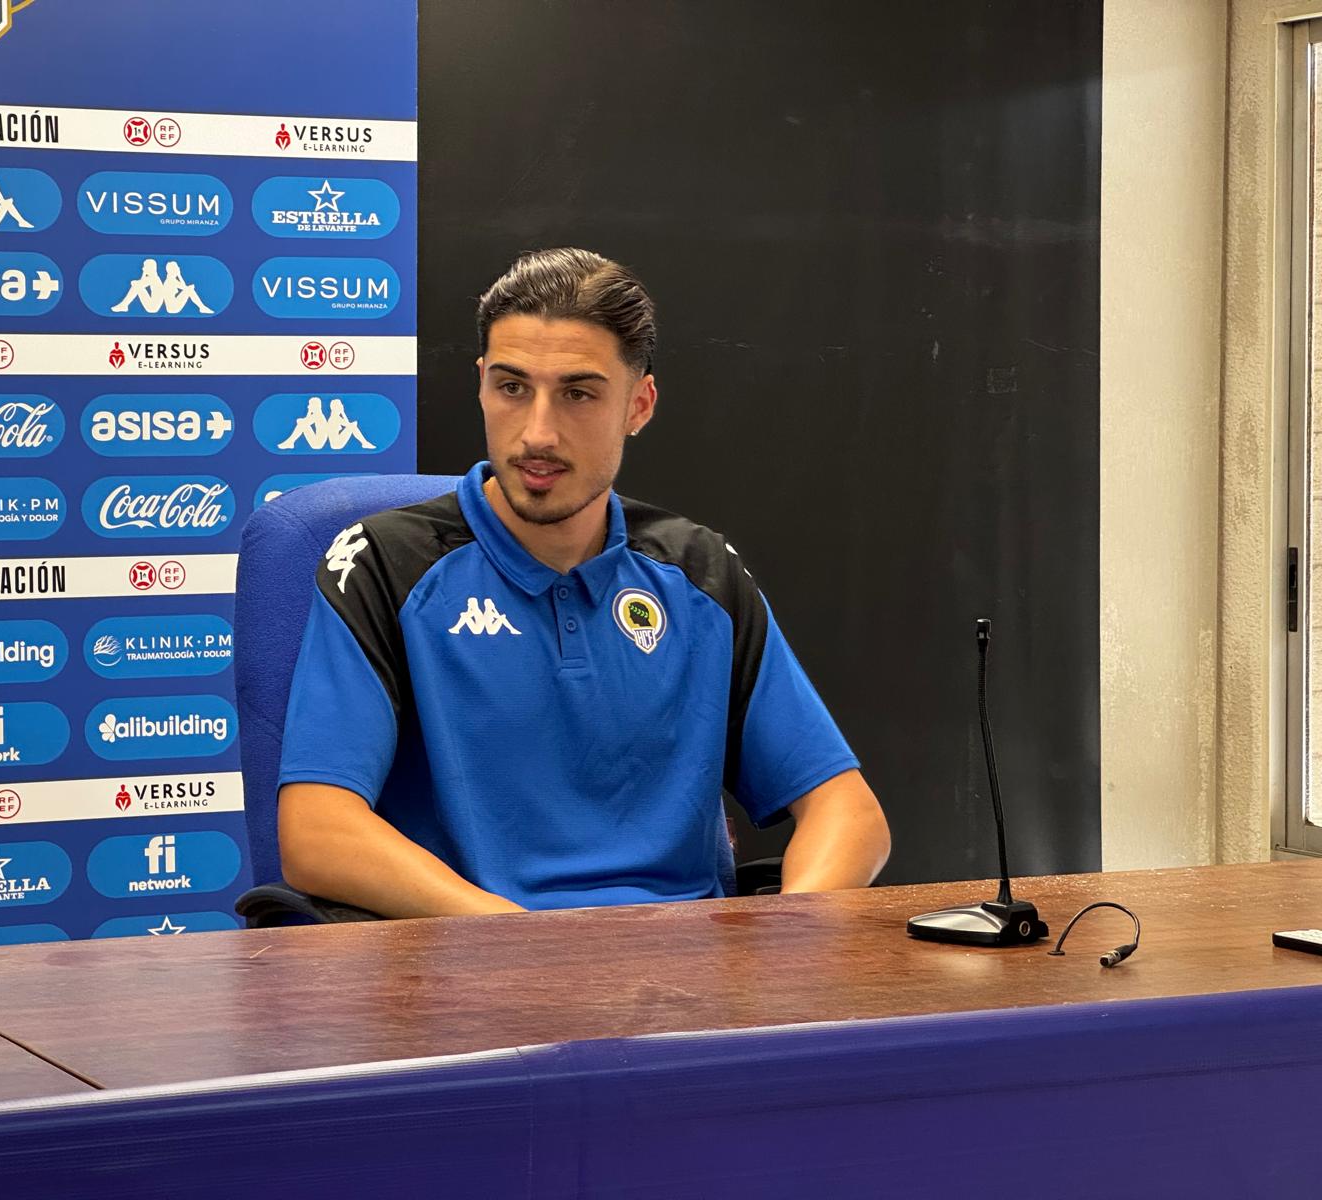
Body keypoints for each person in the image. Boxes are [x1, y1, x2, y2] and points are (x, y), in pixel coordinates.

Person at [277, 247, 890, 917]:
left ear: (639, 405)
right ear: (481, 385)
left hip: (689, 968)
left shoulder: (700, 572)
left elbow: (848, 813)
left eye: (578, 393)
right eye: (512, 388)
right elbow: (317, 833)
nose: (538, 433)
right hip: (479, 956)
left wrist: (788, 934)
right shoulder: (384, 565)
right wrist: (522, 942)